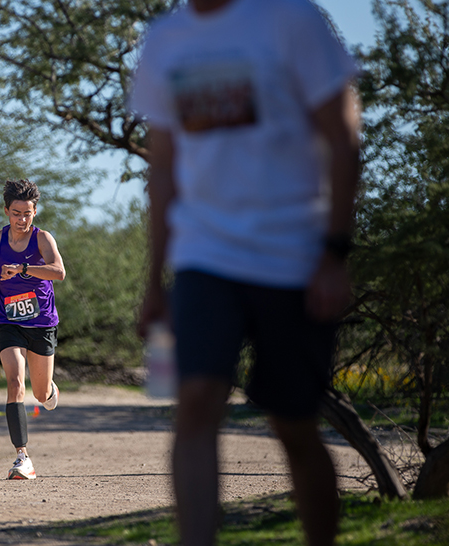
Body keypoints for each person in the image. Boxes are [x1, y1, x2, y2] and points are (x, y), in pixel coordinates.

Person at [131, 1, 361, 545]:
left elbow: (343, 135)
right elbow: (162, 165)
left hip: (294, 255)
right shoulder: (166, 39)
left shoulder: (290, 20)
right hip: (204, 253)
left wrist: (334, 253)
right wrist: (154, 281)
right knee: (197, 401)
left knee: (293, 424)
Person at [0, 179, 65, 480]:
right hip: (8, 321)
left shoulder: (42, 239)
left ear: (34, 212)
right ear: (6, 211)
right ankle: (22, 457)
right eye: (16, 213)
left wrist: (24, 269)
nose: (21, 220)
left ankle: (50, 390)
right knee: (15, 383)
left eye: (27, 213)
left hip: (41, 323)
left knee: (39, 393)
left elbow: (58, 272)